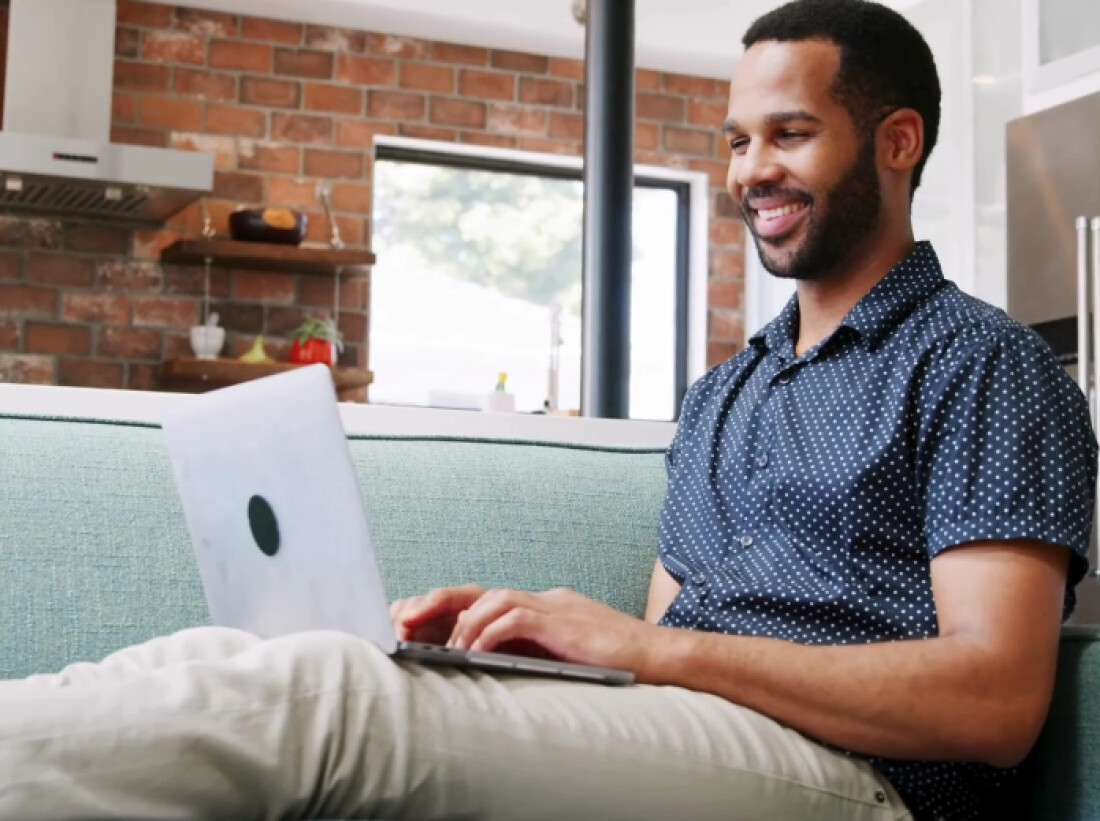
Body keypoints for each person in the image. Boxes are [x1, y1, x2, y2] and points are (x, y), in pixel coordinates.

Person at [1, 0, 1095, 819]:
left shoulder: (980, 367)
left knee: (319, 696)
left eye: (788, 134)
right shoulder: (724, 393)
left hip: (860, 783)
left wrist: (640, 649)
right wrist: (539, 649)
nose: (749, 169)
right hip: (690, 738)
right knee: (217, 657)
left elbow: (992, 700)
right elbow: (672, 641)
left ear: (895, 143)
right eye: (733, 139)